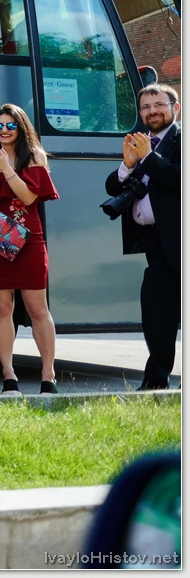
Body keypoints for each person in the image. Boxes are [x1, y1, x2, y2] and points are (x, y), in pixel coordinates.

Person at [0, 104, 59, 394]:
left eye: (10, 125)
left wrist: (7, 169)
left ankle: (48, 376)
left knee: (37, 308)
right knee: (1, 308)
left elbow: (29, 197)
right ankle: (9, 376)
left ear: (20, 128)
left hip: (29, 235)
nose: (4, 130)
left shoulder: (34, 157)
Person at [106, 84, 180, 391]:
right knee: (156, 313)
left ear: (176, 108)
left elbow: (177, 178)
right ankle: (155, 384)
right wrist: (127, 165)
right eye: (146, 107)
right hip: (156, 243)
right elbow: (112, 186)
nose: (152, 112)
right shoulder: (140, 143)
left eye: (159, 105)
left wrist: (147, 156)